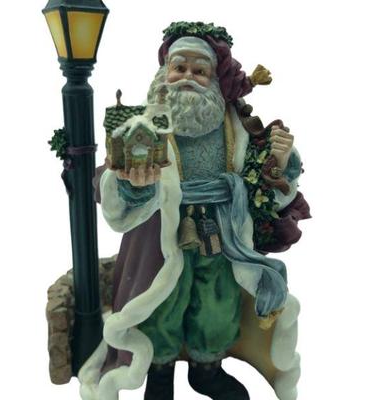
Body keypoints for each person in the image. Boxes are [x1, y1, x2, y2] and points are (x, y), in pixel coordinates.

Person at [79, 22, 310, 400]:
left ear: (215, 79)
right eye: (179, 67)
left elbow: (261, 182)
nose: (188, 76)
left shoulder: (237, 126)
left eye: (199, 70)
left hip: (222, 232)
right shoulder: (143, 124)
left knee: (216, 300)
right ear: (164, 72)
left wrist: (280, 164)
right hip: (159, 236)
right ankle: (159, 370)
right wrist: (131, 183)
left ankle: (208, 368)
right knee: (161, 301)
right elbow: (111, 179)